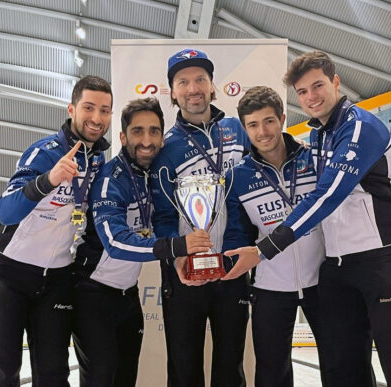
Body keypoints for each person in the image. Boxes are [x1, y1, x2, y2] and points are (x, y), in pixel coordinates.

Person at [224, 51, 391, 387]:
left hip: (385, 257)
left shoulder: (360, 127)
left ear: (335, 82)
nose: (311, 97)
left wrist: (263, 250)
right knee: (344, 367)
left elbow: (329, 195)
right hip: (339, 266)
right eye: (302, 92)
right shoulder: (319, 136)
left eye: (317, 86)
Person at [0, 76, 113, 387]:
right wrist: (48, 181)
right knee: (2, 372)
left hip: (56, 277)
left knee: (54, 374)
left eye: (105, 110)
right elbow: (6, 210)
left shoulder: (99, 162)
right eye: (89, 108)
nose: (97, 118)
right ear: (72, 109)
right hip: (8, 271)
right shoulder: (43, 152)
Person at [71, 97, 212, 387]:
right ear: (123, 137)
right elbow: (116, 243)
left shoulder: (154, 175)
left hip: (128, 297)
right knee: (100, 378)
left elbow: (161, 224)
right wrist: (178, 246)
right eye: (137, 132)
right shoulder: (111, 178)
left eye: (154, 131)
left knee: (125, 379)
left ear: (162, 136)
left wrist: (179, 257)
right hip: (92, 295)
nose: (146, 141)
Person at [150, 48, 252, 387]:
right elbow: (162, 213)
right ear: (172, 92)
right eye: (183, 82)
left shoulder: (239, 132)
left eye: (200, 79)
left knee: (230, 367)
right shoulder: (165, 147)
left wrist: (239, 250)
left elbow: (249, 195)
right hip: (185, 273)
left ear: (212, 86)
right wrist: (177, 259)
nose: (193, 88)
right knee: (183, 368)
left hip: (232, 267)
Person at [223, 86, 327, 387]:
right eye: (253, 125)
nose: (262, 131)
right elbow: (238, 232)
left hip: (324, 280)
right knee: (271, 373)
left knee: (341, 362)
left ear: (282, 119)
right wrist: (229, 261)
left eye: (268, 121)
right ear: (245, 129)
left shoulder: (313, 160)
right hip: (270, 286)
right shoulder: (238, 177)